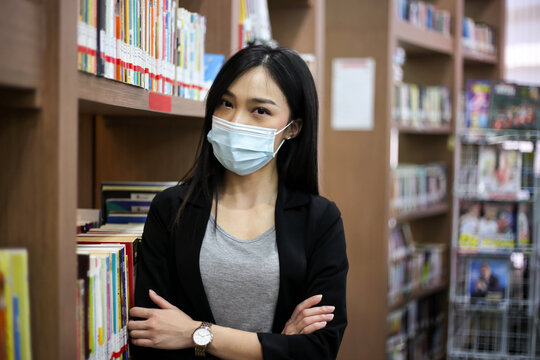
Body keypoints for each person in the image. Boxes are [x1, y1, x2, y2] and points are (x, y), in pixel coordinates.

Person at [128, 45, 348, 359]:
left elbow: (318, 349)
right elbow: (150, 337)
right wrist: (276, 346)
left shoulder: (321, 219)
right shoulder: (170, 208)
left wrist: (195, 334)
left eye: (260, 110)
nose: (235, 120)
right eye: (226, 103)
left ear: (293, 128)